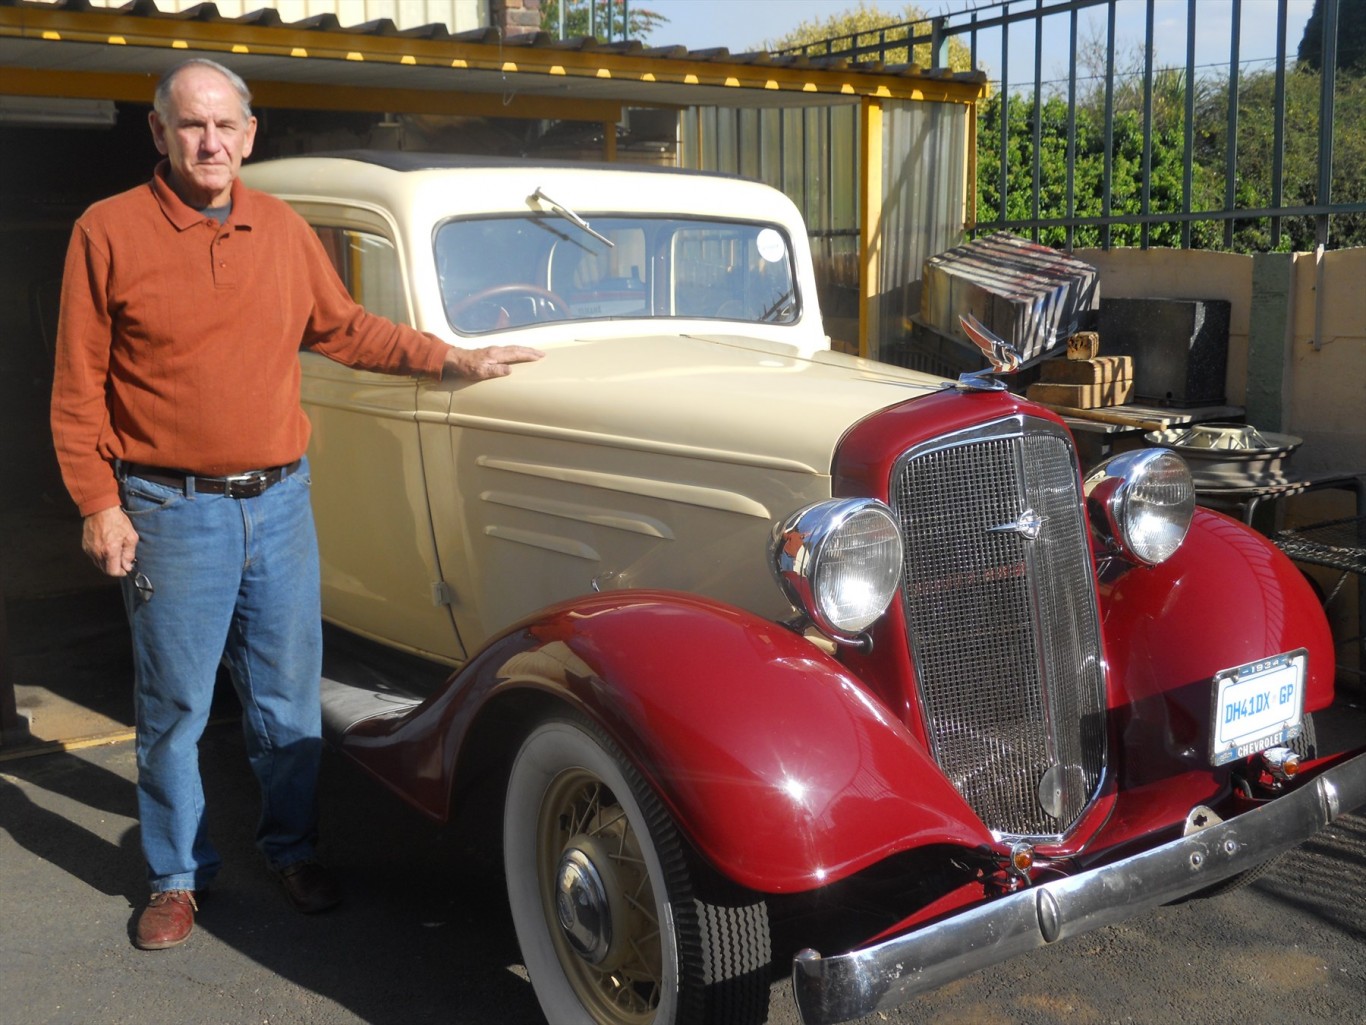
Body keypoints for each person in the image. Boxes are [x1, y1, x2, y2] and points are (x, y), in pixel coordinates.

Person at [49, 58, 542, 951]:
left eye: (226, 126)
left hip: (278, 505)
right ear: (158, 133)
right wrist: (98, 502)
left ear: (250, 133)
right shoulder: (107, 230)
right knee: (176, 710)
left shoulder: (279, 228)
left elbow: (345, 326)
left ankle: (292, 847)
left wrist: (450, 357)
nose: (211, 142)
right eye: (191, 125)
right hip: (170, 509)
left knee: (284, 701)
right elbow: (77, 389)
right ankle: (174, 875)